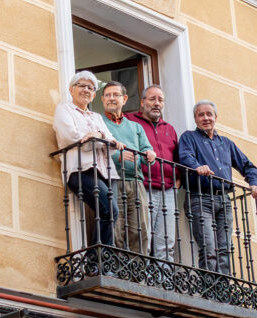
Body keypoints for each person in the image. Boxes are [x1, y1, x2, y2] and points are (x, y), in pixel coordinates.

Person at [177, 100, 257, 275]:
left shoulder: (226, 143)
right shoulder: (189, 137)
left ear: (216, 117)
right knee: (209, 249)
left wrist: (254, 183)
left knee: (225, 249)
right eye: (201, 115)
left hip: (224, 200)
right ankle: (211, 293)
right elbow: (185, 157)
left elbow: (248, 166)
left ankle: (222, 292)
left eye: (209, 114)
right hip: (200, 198)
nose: (206, 118)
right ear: (195, 118)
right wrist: (197, 166)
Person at [53, 72, 120, 247]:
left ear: (94, 94)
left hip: (106, 171)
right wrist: (100, 140)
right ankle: (98, 261)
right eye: (82, 85)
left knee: (110, 212)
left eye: (90, 88)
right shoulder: (63, 110)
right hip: (80, 170)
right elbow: (72, 137)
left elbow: (112, 143)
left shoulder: (96, 117)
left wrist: (97, 135)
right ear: (71, 89)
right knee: (110, 210)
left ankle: (103, 260)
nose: (86, 90)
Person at [127, 85, 180, 262]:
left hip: (168, 191)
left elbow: (178, 156)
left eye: (160, 100)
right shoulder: (131, 121)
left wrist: (178, 178)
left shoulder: (169, 128)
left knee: (166, 241)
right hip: (143, 186)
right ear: (142, 102)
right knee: (144, 238)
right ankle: (142, 281)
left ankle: (163, 283)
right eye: (152, 99)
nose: (156, 103)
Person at [100, 82, 155, 253]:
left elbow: (146, 149)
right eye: (107, 95)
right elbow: (96, 150)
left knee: (140, 229)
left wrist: (149, 155)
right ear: (102, 100)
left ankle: (138, 272)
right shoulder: (98, 122)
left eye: (115, 95)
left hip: (136, 182)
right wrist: (117, 156)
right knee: (116, 229)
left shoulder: (135, 126)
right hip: (111, 181)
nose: (111, 99)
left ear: (124, 99)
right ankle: (117, 271)